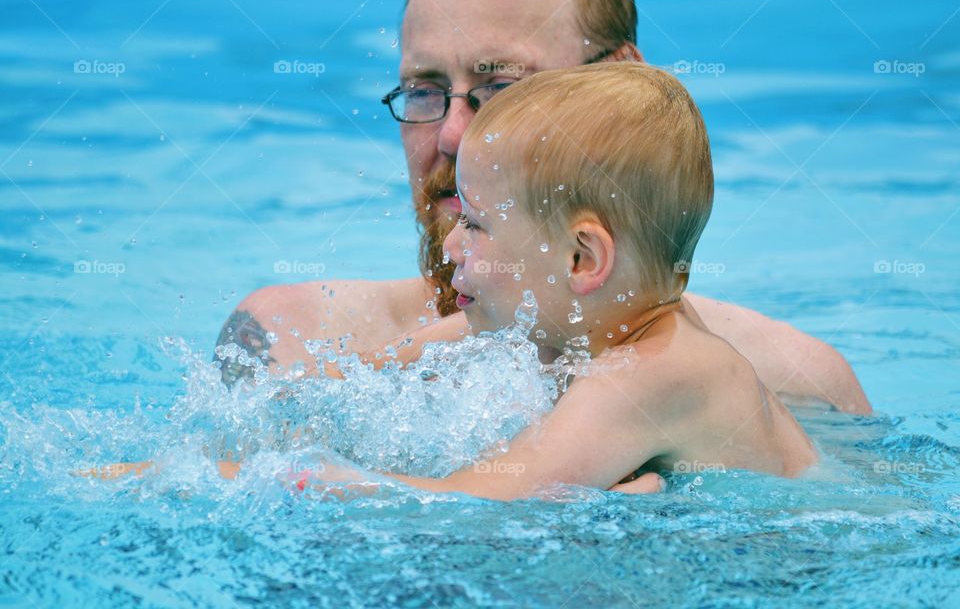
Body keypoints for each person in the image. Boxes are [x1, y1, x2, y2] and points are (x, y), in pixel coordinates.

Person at [92, 63, 816, 499]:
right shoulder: (578, 317)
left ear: (580, 261)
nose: (451, 240)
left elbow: (480, 500)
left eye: (476, 223)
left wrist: (312, 478)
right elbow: (378, 370)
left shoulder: (650, 373)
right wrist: (298, 401)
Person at [217, 0, 869, 424]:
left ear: (617, 85)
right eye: (424, 90)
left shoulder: (794, 386)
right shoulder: (292, 343)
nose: (450, 135)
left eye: (502, 87)